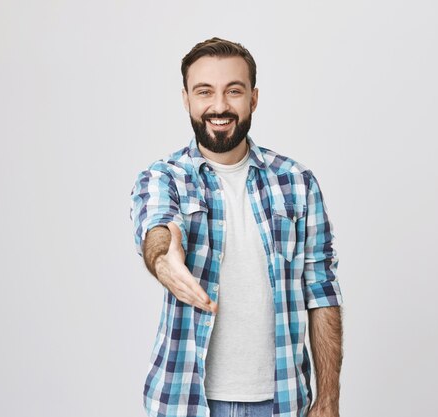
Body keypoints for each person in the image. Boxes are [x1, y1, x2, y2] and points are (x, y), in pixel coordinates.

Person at [130, 37, 343, 417]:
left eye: (234, 91)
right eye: (204, 92)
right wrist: (165, 260)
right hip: (187, 401)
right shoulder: (164, 177)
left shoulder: (297, 181)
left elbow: (321, 290)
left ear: (253, 99)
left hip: (282, 402)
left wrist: (328, 399)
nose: (220, 106)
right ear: (186, 99)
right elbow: (157, 228)